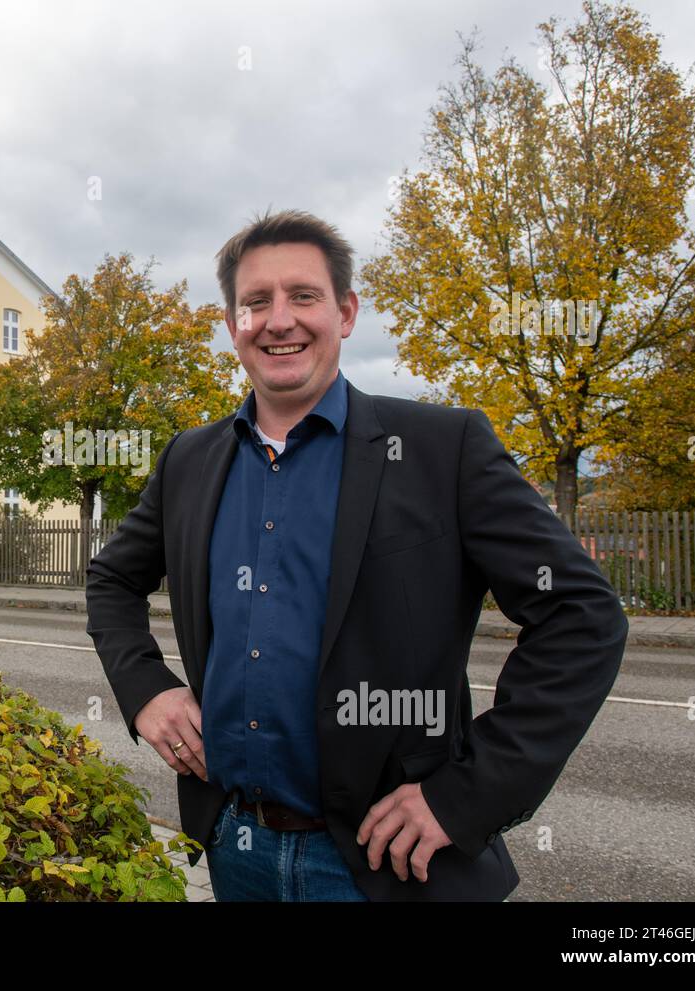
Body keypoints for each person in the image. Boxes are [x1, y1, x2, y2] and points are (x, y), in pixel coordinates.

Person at [85, 208, 627, 902]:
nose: (279, 319)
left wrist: (462, 796)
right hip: (235, 848)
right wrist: (146, 690)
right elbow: (111, 579)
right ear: (233, 326)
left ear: (345, 312)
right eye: (256, 302)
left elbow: (584, 616)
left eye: (302, 296)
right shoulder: (191, 460)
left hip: (384, 870)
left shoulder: (441, 449)